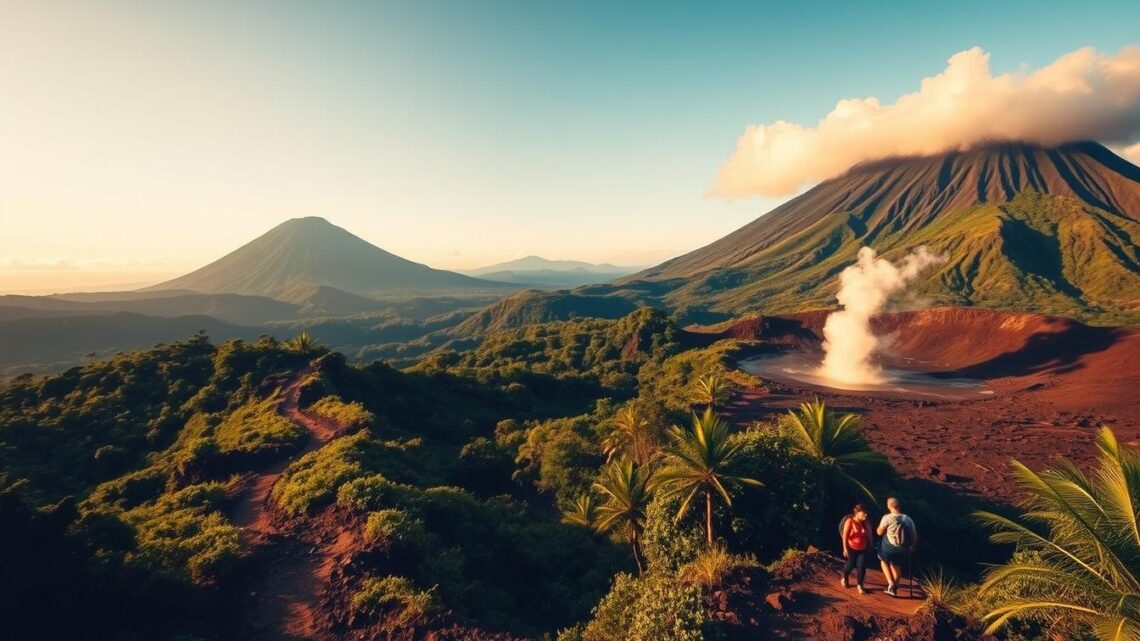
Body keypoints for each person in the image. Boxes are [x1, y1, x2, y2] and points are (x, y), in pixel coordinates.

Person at [877, 497, 917, 597]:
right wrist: (912, 546)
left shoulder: (887, 517)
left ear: (889, 506)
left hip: (888, 548)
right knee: (896, 566)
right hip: (902, 549)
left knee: (883, 560)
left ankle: (890, 583)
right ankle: (894, 589)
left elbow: (879, 532)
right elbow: (914, 535)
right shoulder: (907, 519)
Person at [840, 503, 871, 594]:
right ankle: (845, 578)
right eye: (863, 513)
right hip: (851, 548)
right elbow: (845, 536)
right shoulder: (850, 521)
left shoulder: (866, 523)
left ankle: (860, 585)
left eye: (866, 513)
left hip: (863, 549)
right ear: (857, 513)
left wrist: (870, 546)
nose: (866, 515)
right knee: (849, 566)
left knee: (861, 566)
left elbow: (869, 536)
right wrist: (845, 549)